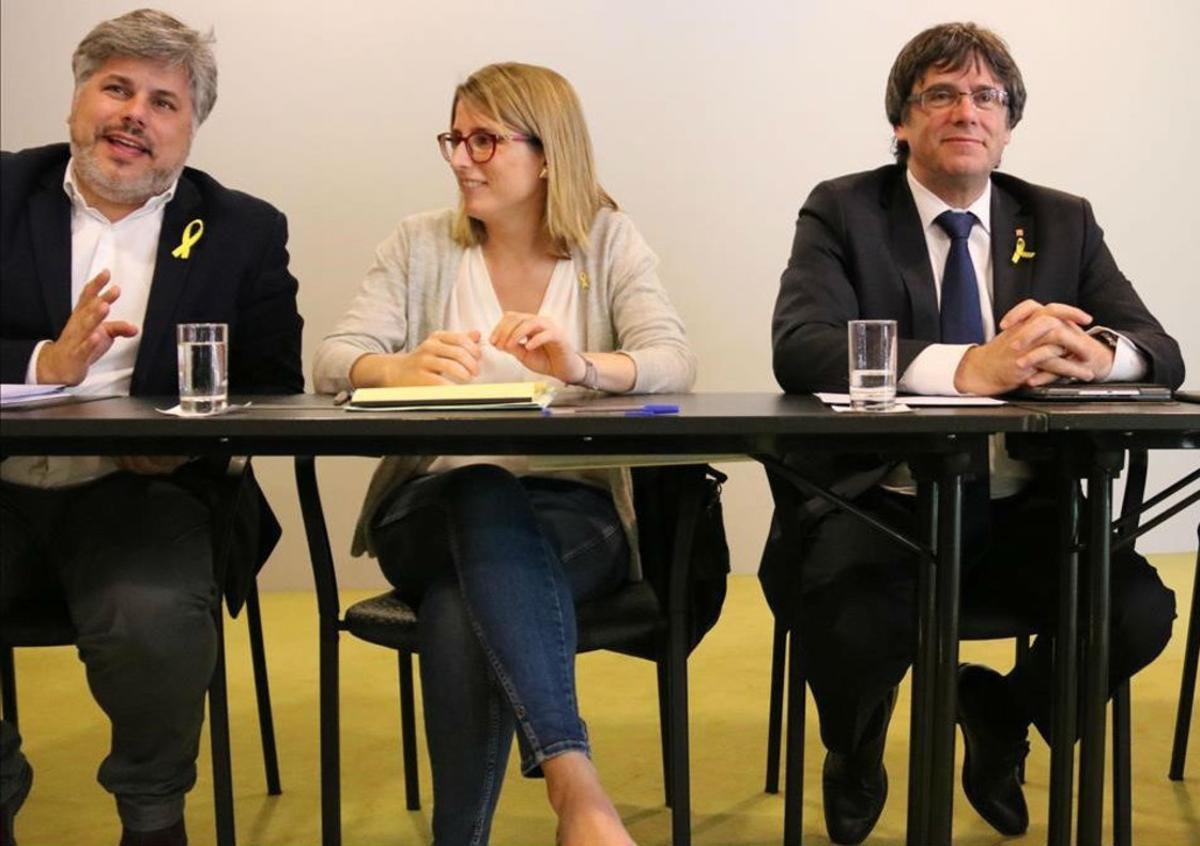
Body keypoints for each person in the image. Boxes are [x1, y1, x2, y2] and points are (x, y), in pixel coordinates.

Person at [761, 22, 1184, 846]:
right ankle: (853, 749)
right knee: (847, 624)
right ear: (902, 122)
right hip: (881, 509)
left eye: (987, 96)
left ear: (1009, 123)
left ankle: (1000, 715)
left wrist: (1096, 357)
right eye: (941, 94)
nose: (967, 111)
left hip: (1025, 510)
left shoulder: (1060, 220)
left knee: (1135, 611)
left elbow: (1159, 348)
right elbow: (800, 346)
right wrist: (968, 369)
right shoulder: (844, 209)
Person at [313, 62, 694, 845]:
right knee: (479, 488)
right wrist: (395, 366)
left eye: (484, 139)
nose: (461, 159)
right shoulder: (419, 244)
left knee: (462, 603)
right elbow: (331, 358)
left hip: (571, 513)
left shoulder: (608, 242)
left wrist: (582, 367)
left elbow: (672, 359)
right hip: (428, 506)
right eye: (455, 137)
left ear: (548, 152)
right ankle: (575, 784)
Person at [0, 10, 303, 846]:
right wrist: (40, 365)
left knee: (150, 610)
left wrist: (192, 447)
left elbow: (276, 387)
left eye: (164, 101)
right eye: (117, 88)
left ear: (190, 131)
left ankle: (152, 812)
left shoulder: (242, 229)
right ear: (75, 102)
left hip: (140, 487)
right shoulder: (3, 191)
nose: (136, 114)